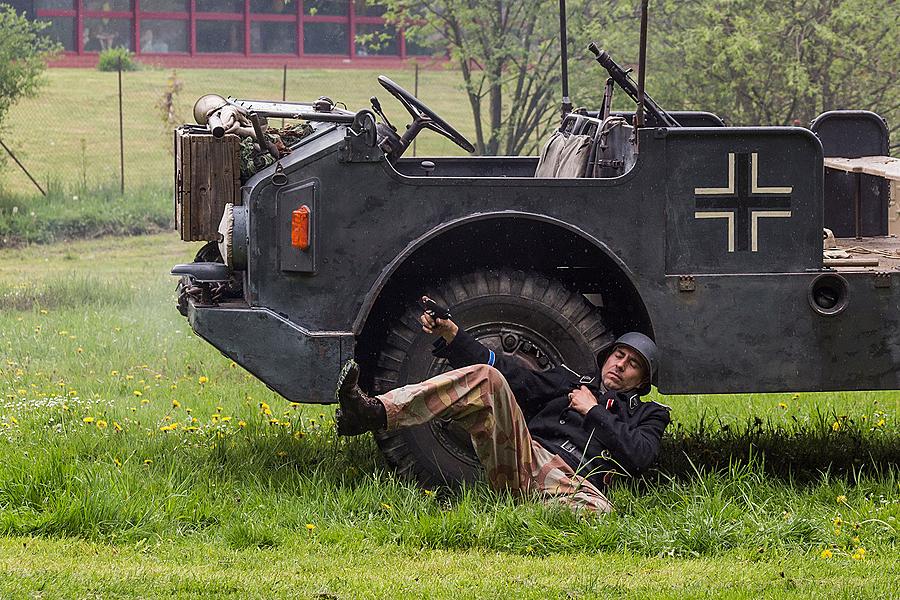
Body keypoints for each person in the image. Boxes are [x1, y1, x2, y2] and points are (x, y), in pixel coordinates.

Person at [335, 297, 671, 514]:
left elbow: (640, 456)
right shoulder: (570, 381)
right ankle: (375, 412)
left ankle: (521, 510)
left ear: (642, 380)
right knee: (489, 377)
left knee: (602, 514)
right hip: (524, 456)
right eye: (619, 355)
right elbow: (511, 373)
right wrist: (454, 334)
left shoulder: (649, 414)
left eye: (633, 363)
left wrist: (593, 410)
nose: (621, 365)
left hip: (573, 481)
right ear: (607, 356)